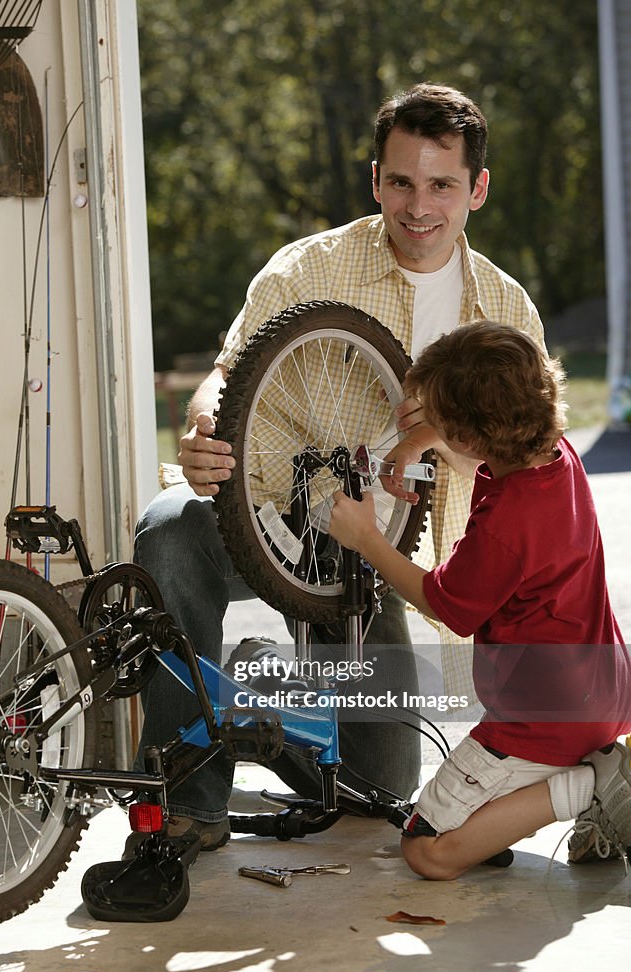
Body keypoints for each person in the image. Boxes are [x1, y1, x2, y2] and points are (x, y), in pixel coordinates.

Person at [127, 82, 544, 855]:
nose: (417, 207)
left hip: (365, 552)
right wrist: (202, 420)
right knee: (168, 531)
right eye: (399, 182)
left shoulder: (504, 312)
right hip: (262, 501)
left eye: (441, 185)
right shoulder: (308, 268)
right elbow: (227, 370)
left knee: (376, 790)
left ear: (476, 189)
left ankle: (258, 696)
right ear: (374, 179)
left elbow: (527, 453)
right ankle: (188, 803)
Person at [328, 320, 631, 880]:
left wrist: (366, 539)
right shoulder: (557, 456)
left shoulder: (503, 528)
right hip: (601, 690)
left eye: (437, 419)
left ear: (469, 436)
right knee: (468, 823)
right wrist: (422, 440)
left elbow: (447, 604)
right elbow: (477, 454)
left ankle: (589, 787)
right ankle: (581, 775)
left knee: (427, 851)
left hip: (542, 721)